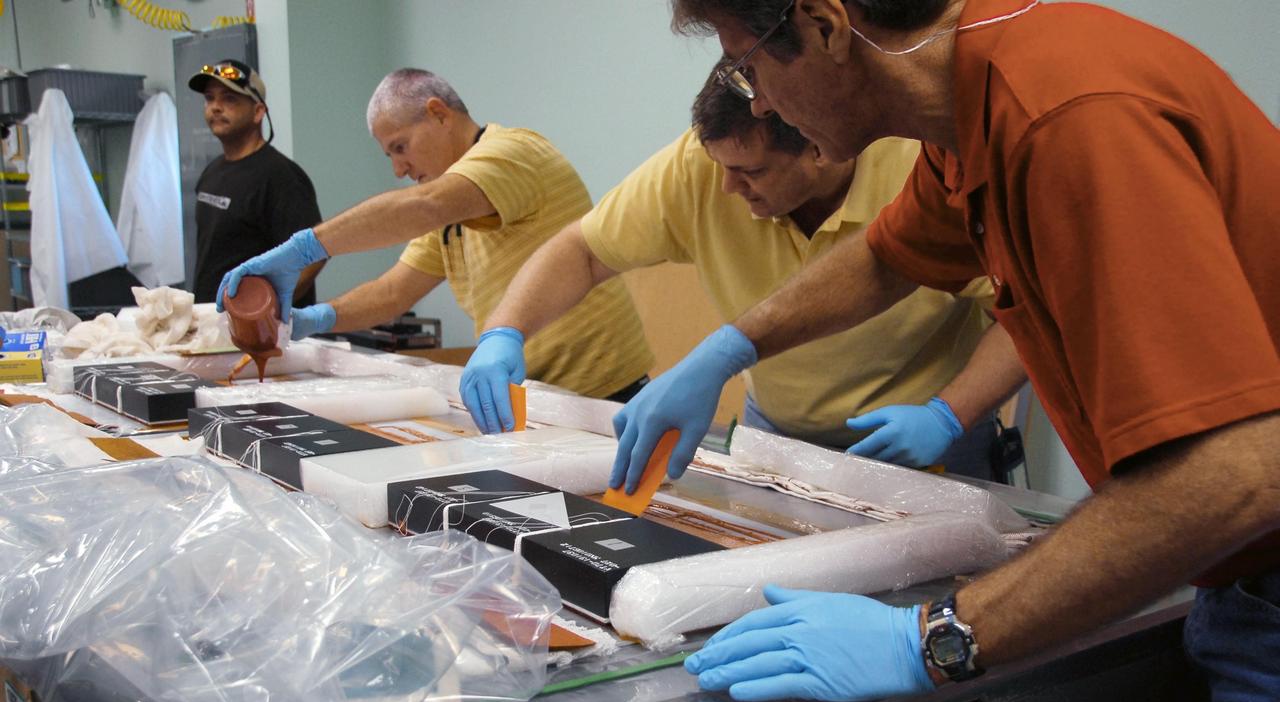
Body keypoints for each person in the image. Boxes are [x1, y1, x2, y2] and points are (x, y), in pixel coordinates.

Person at [656, 1, 1280, 702]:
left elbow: (1232, 471)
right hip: (1239, 579)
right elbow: (886, 255)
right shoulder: (970, 111)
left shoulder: (1067, 115)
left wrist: (938, 638)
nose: (757, 103)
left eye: (748, 67)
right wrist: (731, 348)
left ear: (829, 25)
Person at [464, 67, 1026, 481]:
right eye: (722, 168)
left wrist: (948, 415)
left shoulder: (921, 171)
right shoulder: (702, 169)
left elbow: (1026, 312)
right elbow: (582, 251)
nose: (729, 189)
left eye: (750, 171)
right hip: (777, 432)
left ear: (821, 150)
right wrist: (504, 331)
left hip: (924, 441)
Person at [217, 68, 652, 406]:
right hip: (538, 395)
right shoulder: (453, 209)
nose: (399, 170)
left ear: (438, 114)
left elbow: (424, 206)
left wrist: (305, 247)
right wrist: (316, 320)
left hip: (603, 393)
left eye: (400, 147)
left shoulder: (513, 153)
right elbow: (393, 292)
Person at [188, 60, 324, 306]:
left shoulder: (281, 176)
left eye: (229, 99)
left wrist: (262, 312)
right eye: (210, 98)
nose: (216, 107)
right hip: (212, 324)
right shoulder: (212, 172)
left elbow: (314, 254)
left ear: (258, 111)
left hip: (260, 334)